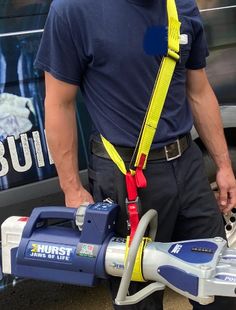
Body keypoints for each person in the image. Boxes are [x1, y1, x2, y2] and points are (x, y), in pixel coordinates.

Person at [35, 0, 236, 309]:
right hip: (124, 179)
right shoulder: (74, 9)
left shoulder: (182, 7)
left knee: (218, 288)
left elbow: (198, 90)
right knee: (139, 301)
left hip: (188, 168)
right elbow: (59, 104)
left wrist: (223, 165)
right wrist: (72, 189)